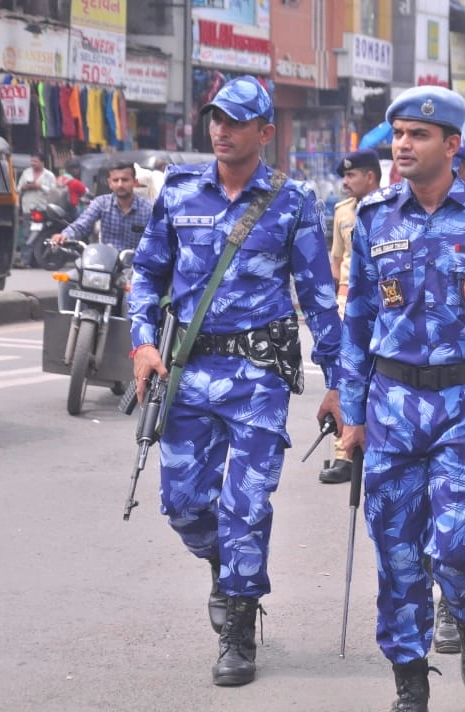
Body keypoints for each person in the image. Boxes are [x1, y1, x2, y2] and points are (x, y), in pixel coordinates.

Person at [128, 75, 342, 687]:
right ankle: (227, 568)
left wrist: (337, 382)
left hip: (258, 379)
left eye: (236, 121)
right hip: (187, 373)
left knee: (246, 506)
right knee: (184, 505)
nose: (221, 129)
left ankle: (239, 630)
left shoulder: (294, 200)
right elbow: (147, 273)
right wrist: (142, 343)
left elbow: (319, 298)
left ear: (265, 133)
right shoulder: (179, 191)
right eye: (215, 119)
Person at [338, 86, 465, 711]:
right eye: (397, 133)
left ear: (452, 144)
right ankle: (410, 683)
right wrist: (351, 413)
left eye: (418, 135)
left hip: (461, 405)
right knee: (396, 553)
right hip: (393, 405)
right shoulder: (374, 217)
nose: (403, 144)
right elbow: (358, 322)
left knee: (453, 544)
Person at [318, 149, 381, 486]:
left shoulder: (392, 209)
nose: (344, 182)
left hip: (383, 303)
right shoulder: (343, 212)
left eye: (351, 175)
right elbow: (336, 260)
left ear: (370, 177)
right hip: (347, 301)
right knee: (345, 376)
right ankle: (343, 453)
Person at [54, 160, 152, 252]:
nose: (120, 184)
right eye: (115, 180)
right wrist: (64, 236)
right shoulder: (101, 203)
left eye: (125, 180)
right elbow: (81, 225)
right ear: (110, 183)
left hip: (137, 266)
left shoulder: (148, 209)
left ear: (134, 182)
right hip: (106, 264)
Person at [15, 151, 57, 267]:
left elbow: (53, 191)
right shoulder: (26, 173)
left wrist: (40, 186)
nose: (33, 163)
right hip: (28, 208)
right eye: (32, 161)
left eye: (35, 161)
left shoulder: (49, 175)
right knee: (26, 234)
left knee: (37, 234)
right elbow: (18, 189)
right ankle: (25, 260)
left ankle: (33, 260)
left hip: (42, 208)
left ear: (42, 162)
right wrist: (25, 187)